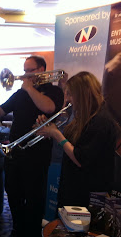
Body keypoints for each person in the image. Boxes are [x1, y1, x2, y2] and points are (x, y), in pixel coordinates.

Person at [0, 56, 64, 237]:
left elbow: (49, 107)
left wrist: (29, 88)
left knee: (35, 196)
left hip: (37, 155)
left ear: (42, 69)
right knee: (13, 193)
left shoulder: (54, 91)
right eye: (24, 70)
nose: (25, 75)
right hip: (15, 152)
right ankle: (17, 232)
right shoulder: (20, 93)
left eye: (30, 70)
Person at [36, 71, 119, 208]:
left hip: (87, 194)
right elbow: (70, 144)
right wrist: (49, 130)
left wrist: (57, 134)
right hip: (73, 187)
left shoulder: (101, 122)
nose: (67, 99)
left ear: (82, 94)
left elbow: (80, 158)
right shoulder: (83, 117)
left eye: (70, 94)